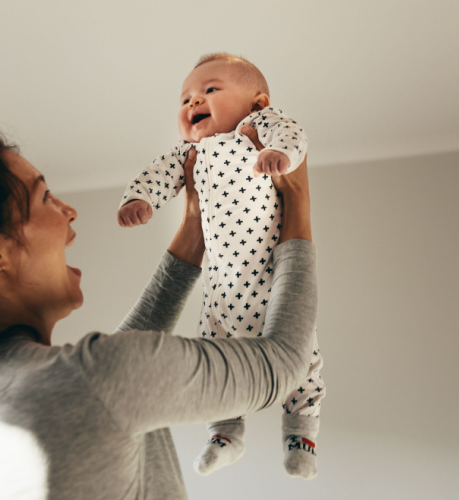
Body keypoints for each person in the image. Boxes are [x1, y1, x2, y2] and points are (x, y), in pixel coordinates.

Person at [0, 129, 317, 499]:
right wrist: (297, 202)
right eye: (45, 197)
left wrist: (195, 225)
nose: (69, 211)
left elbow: (103, 392)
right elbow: (287, 360)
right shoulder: (98, 382)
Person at [117, 53, 325, 479]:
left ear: (257, 102)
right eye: (186, 98)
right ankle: (226, 433)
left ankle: (300, 438)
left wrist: (280, 154)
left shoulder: (258, 129)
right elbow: (157, 174)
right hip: (221, 291)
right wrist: (140, 200)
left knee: (304, 362)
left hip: (273, 279)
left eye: (210, 90)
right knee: (213, 351)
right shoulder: (189, 153)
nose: (194, 102)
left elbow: (292, 133)